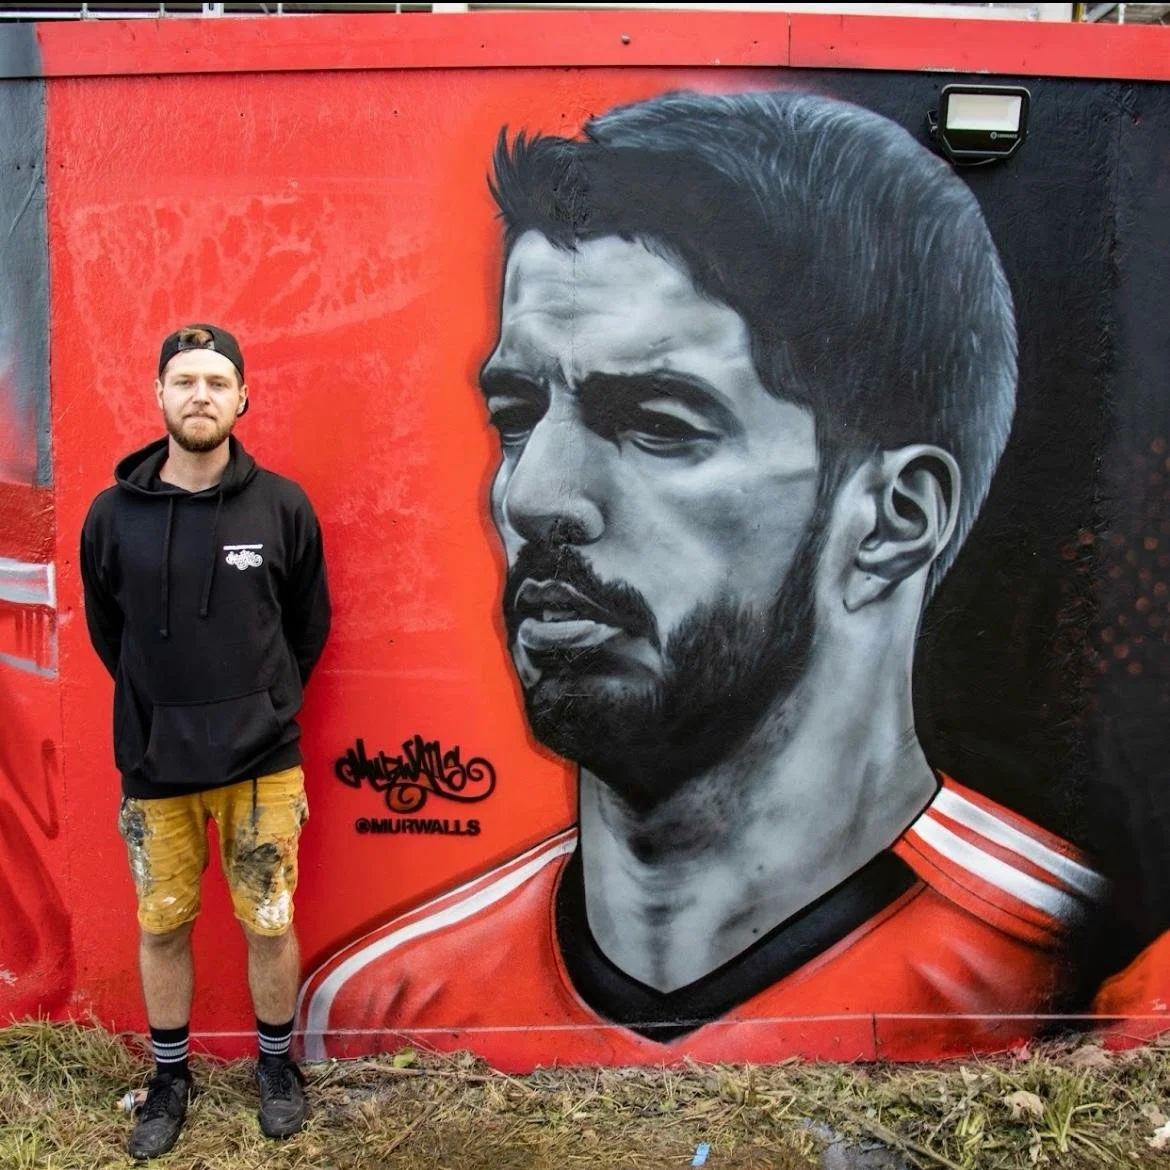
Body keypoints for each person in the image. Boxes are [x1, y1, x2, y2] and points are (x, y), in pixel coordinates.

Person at [299, 90, 1103, 1068]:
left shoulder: (1076, 985)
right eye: (516, 415)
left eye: (658, 424)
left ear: (894, 520)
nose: (535, 497)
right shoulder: (382, 1010)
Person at [81, 324, 330, 1158]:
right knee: (162, 924)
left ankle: (275, 1067)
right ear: (158, 394)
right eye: (185, 380)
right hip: (157, 764)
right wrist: (160, 709)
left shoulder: (282, 506)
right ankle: (169, 1078)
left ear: (242, 398)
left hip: (262, 762)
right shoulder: (112, 516)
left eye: (217, 382)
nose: (200, 395)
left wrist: (265, 703)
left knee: (269, 920)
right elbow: (108, 632)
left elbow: (308, 625)